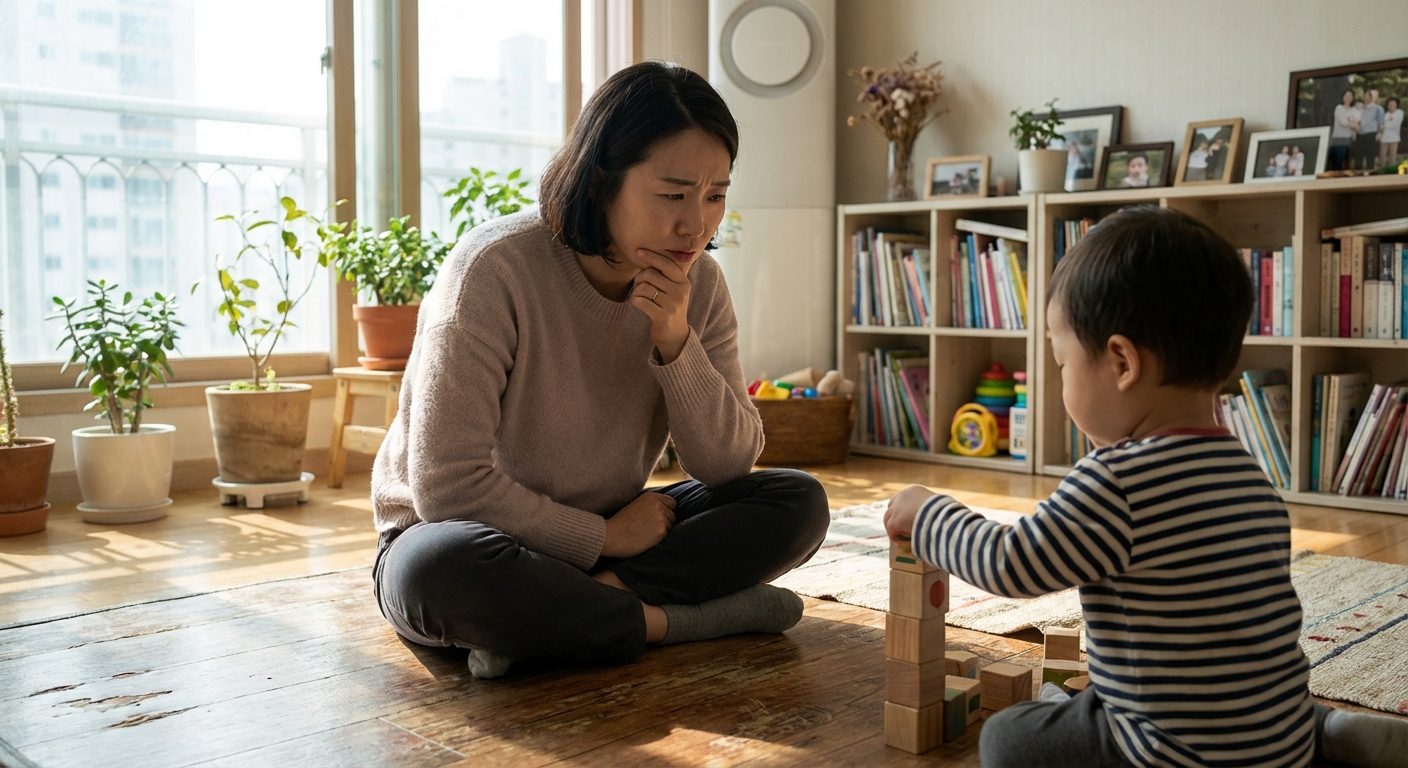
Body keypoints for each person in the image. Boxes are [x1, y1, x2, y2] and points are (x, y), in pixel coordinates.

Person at [882, 206, 1408, 767]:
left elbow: (1011, 563)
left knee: (1007, 738)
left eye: (1061, 363)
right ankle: (1326, 733)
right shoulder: (1250, 476)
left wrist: (929, 511)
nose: (1060, 380)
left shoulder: (1117, 481)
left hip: (1166, 751)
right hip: (1276, 739)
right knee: (1262, 695)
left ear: (1121, 363)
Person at [370, 61, 831, 680]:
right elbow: (447, 486)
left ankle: (558, 623)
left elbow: (726, 465)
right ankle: (670, 621)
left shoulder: (702, 284)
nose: (695, 224)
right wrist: (601, 539)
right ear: (600, 180)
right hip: (470, 536)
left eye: (715, 195)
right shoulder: (493, 270)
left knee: (796, 501)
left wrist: (674, 339)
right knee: (437, 569)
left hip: (619, 531)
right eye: (672, 194)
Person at [1356, 89, 1385, 169]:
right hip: (1360, 135)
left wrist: (1380, 133)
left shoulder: (1378, 109)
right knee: (1358, 158)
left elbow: (1381, 123)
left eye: (1369, 96)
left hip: (1371, 135)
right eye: (1365, 95)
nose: (1367, 97)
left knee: (1370, 158)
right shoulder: (1359, 107)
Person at [1330, 89, 1357, 171]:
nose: (1348, 97)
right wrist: (1354, 125)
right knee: (1337, 163)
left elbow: (1356, 122)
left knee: (1347, 164)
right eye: (1346, 95)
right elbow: (1343, 122)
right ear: (1343, 97)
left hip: (1349, 139)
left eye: (1350, 96)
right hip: (1339, 139)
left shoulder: (1354, 110)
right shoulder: (1339, 108)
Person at [1379, 96, 1403, 167]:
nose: (1391, 106)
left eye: (1393, 104)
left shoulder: (1400, 113)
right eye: (1390, 104)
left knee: (1392, 159)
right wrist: (1385, 125)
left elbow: (1395, 125)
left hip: (1394, 138)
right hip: (1384, 139)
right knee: (1382, 158)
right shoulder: (1385, 114)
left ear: (1396, 105)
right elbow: (1380, 126)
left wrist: (1385, 125)